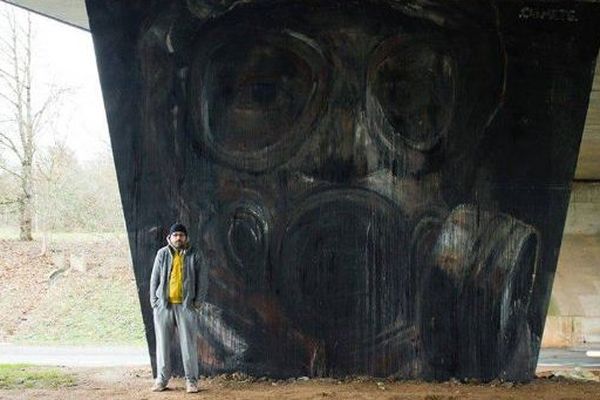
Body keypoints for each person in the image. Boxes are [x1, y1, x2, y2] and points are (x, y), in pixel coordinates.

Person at [149, 222, 206, 393]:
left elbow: (202, 280)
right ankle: (161, 380)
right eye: (175, 235)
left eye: (181, 235)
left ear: (186, 237)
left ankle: (191, 381)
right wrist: (154, 301)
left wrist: (198, 302)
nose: (178, 237)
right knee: (162, 344)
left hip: (186, 306)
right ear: (170, 237)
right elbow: (154, 278)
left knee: (189, 345)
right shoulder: (162, 254)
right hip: (164, 307)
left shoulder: (195, 254)